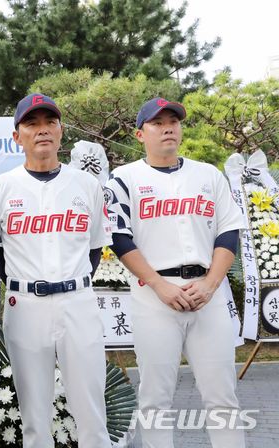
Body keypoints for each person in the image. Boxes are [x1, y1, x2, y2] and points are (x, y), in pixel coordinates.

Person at [105, 98, 246, 447]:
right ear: (140, 134)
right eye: (157, 123)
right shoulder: (123, 179)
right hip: (154, 295)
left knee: (223, 395)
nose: (167, 127)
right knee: (155, 399)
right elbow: (119, 238)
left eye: (173, 121)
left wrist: (211, 284)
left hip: (207, 293)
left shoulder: (208, 174)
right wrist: (159, 285)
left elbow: (229, 231)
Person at [0, 93, 113, 448]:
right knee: (34, 417)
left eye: (49, 122)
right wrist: (22, 285)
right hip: (25, 304)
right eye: (32, 123)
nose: (42, 130)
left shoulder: (87, 185)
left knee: (91, 412)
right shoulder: (0, 187)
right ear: (17, 136)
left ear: (61, 131)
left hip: (77, 301)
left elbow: (95, 248)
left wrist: (71, 284)